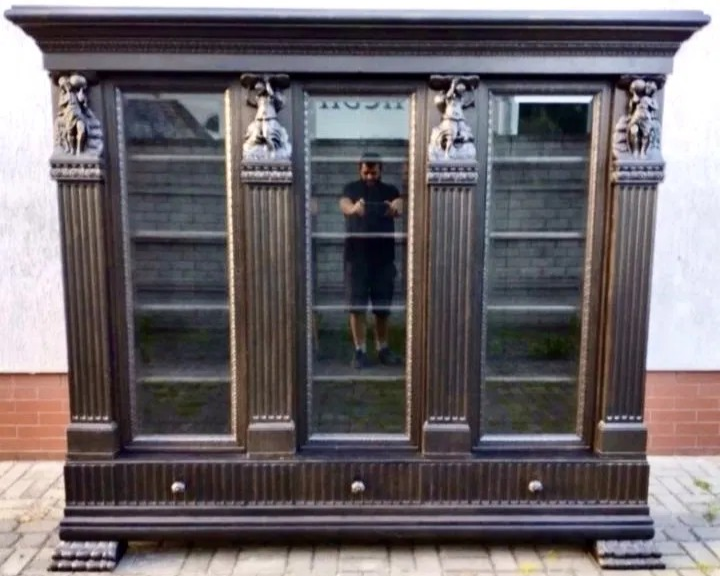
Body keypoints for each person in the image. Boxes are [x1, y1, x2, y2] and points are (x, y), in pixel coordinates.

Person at [339, 152, 404, 369]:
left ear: (380, 170)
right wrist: (353, 209)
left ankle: (383, 349)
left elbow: (400, 203)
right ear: (359, 170)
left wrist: (397, 206)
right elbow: (343, 204)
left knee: (382, 308)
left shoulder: (389, 190)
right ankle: (360, 351)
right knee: (356, 307)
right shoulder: (351, 188)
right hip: (356, 258)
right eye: (366, 172)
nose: (369, 177)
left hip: (383, 259)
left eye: (373, 172)